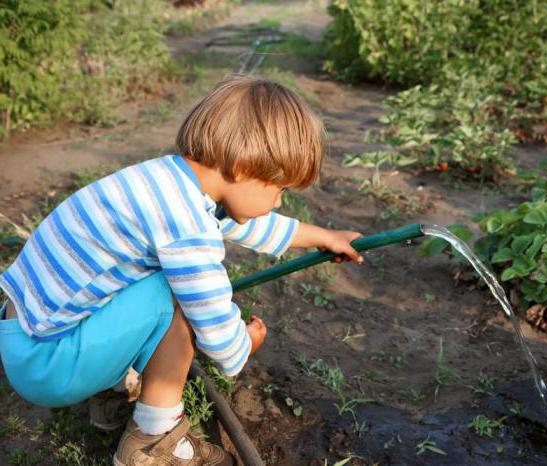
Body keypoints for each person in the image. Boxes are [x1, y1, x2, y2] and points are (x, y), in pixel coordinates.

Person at [0, 74, 364, 465]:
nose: (277, 201)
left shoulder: (168, 183)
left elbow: (239, 219)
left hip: (25, 335)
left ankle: (110, 391)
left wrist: (320, 236)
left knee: (149, 281)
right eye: (279, 189)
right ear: (242, 167)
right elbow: (211, 314)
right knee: (175, 295)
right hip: (47, 364)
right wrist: (240, 345)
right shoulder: (185, 225)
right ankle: (153, 444)